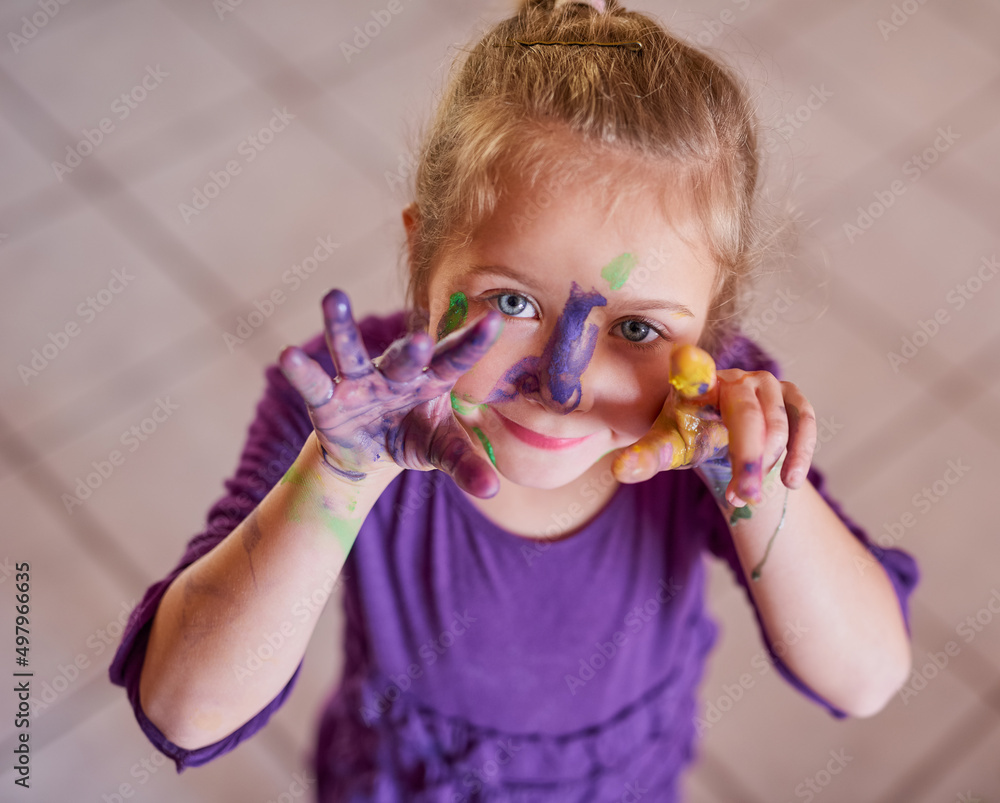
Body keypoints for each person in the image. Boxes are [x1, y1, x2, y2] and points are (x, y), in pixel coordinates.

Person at [110, 0, 920, 800]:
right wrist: (339, 477)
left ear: (713, 328)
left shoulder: (702, 427)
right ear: (422, 252)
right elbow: (184, 710)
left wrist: (757, 488)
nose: (560, 385)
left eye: (637, 327)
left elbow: (866, 678)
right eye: (514, 304)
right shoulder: (349, 409)